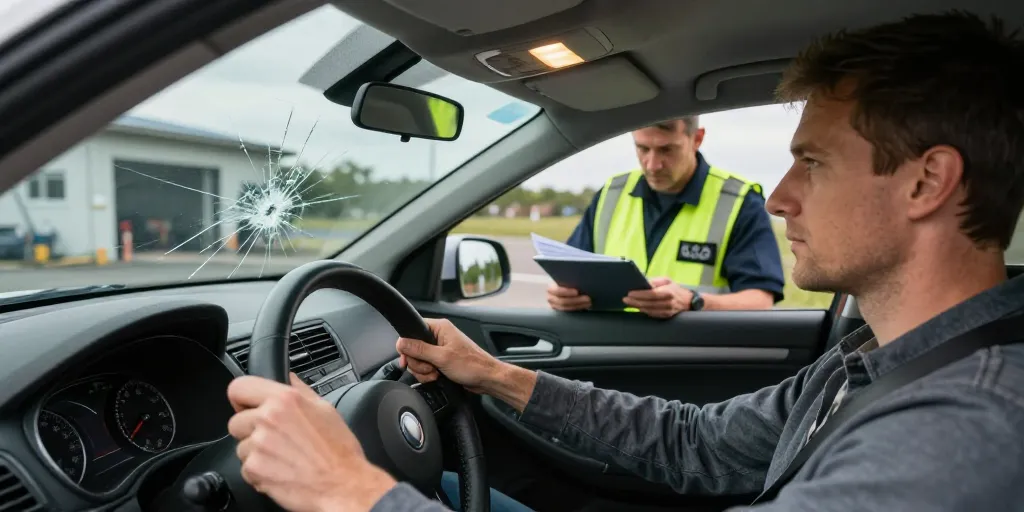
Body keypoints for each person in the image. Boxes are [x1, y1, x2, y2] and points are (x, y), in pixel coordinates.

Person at [225, 10, 1024, 512]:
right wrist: (496, 374)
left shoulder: (964, 433)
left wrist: (351, 492)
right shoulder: (867, 361)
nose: (781, 196)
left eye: (812, 163)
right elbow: (694, 444)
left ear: (927, 182)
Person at [548, 117, 786, 316]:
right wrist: (562, 295)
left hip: (689, 357)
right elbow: (570, 274)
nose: (652, 165)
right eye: (642, 148)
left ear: (697, 139)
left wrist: (693, 302)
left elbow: (760, 300)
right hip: (610, 353)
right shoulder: (611, 194)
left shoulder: (737, 201)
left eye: (666, 150)